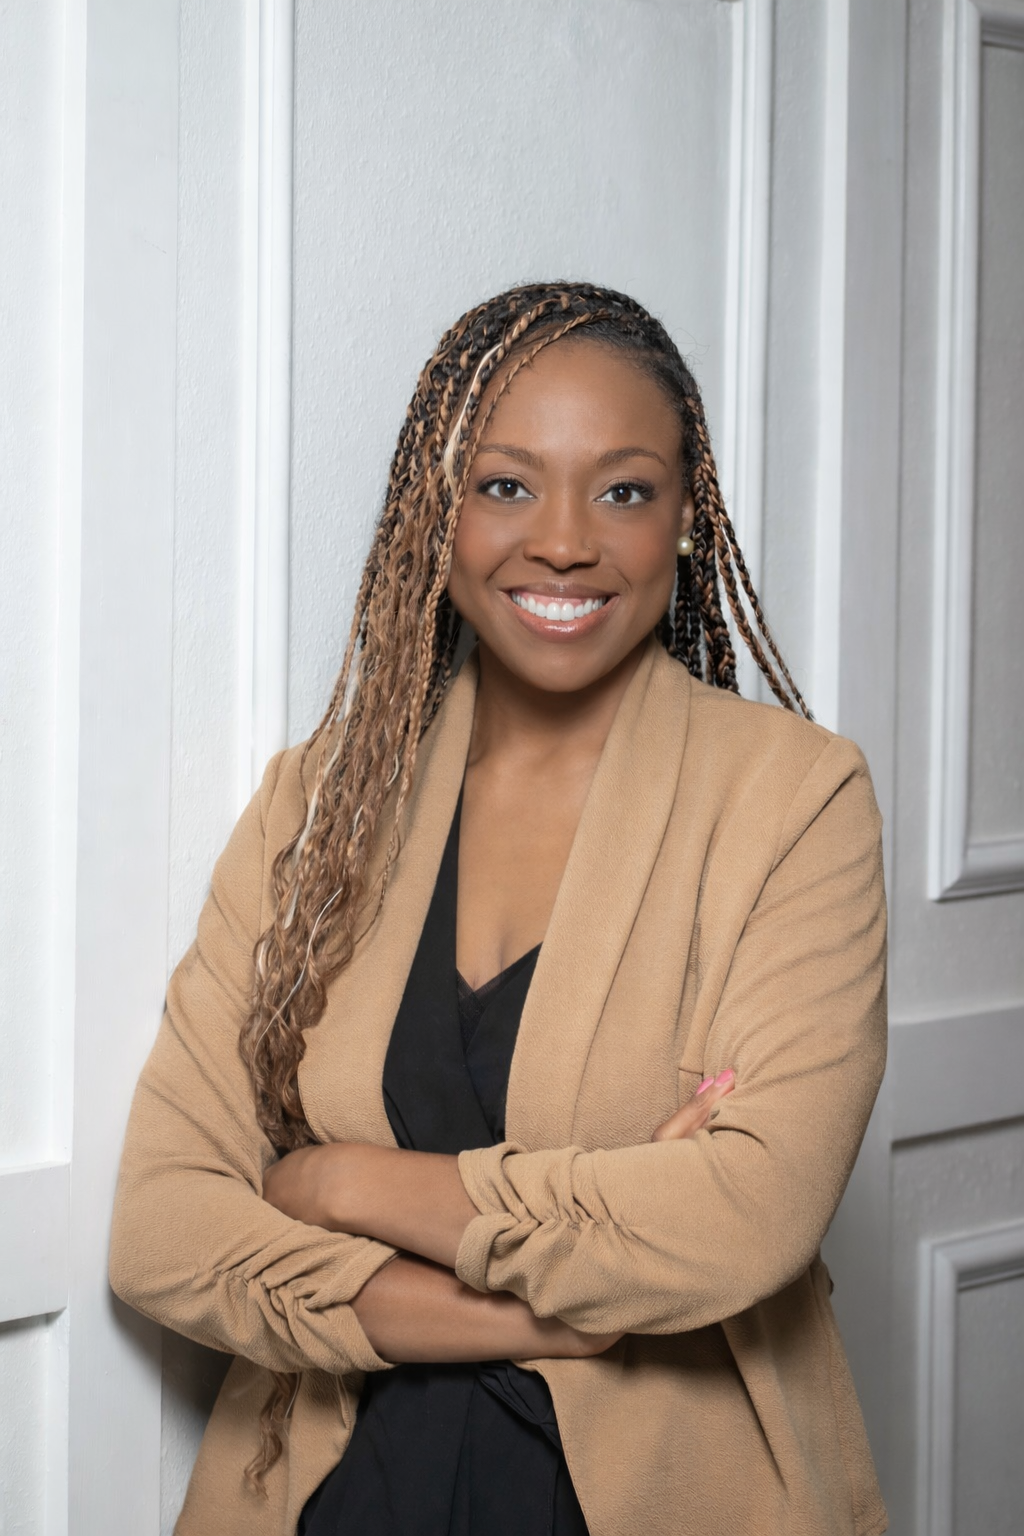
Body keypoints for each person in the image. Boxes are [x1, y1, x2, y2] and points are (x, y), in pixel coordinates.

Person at [110, 282, 888, 1536]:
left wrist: (342, 1182)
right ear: (435, 515)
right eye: (505, 485)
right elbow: (162, 1230)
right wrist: (566, 1306)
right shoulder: (318, 805)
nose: (564, 542)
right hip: (338, 1493)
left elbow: (748, 1218)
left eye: (623, 490)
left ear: (687, 519)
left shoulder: (792, 799)